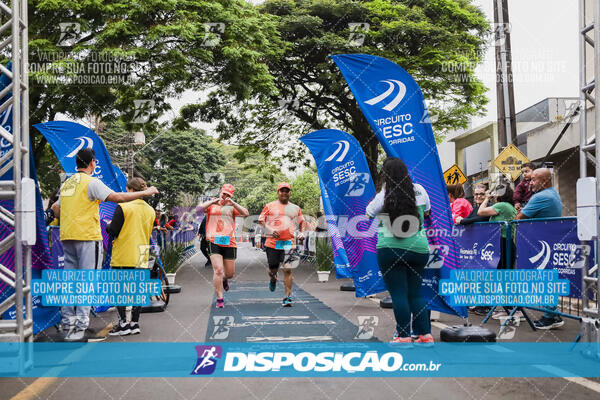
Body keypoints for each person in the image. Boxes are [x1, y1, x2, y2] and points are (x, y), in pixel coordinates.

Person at [50, 148, 158, 341]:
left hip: (68, 237)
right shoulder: (91, 182)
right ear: (92, 162)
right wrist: (147, 192)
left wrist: (65, 211)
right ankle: (82, 327)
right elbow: (117, 197)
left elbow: (56, 209)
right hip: (91, 238)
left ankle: (68, 325)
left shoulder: (67, 184)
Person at [366, 157, 433, 346]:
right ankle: (424, 335)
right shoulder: (420, 189)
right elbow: (427, 212)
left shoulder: (384, 194)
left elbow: (368, 213)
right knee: (416, 293)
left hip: (390, 249)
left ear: (385, 175)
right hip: (419, 248)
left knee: (399, 294)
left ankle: (403, 336)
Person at [106, 178, 155, 336]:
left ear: (131, 190)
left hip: (124, 253)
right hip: (142, 254)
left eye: (127, 190)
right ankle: (135, 323)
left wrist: (107, 224)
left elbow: (113, 230)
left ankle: (123, 324)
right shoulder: (150, 210)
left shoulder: (123, 207)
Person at [516, 168, 564, 329]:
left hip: (542, 245)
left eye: (534, 180)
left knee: (544, 280)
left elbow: (519, 218)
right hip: (548, 243)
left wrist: (521, 211)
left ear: (544, 181)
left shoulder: (540, 197)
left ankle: (550, 317)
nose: (530, 183)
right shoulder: (553, 193)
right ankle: (554, 314)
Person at [199, 184, 249, 308]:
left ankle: (224, 279)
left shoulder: (232, 208)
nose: (225, 196)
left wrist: (233, 203)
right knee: (218, 270)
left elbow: (246, 213)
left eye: (228, 195)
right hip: (213, 240)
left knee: (229, 274)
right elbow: (198, 209)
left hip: (229, 242)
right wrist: (213, 201)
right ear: (220, 192)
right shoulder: (212, 206)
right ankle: (220, 298)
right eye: (224, 193)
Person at [259, 182, 305, 307]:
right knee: (273, 269)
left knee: (288, 269)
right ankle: (273, 278)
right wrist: (269, 230)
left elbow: (302, 222)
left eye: (287, 191)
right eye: (282, 191)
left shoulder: (296, 208)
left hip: (289, 243)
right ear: (278, 192)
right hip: (272, 243)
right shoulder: (269, 206)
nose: (284, 193)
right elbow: (261, 220)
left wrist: (301, 233)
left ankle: (287, 297)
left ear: (290, 193)